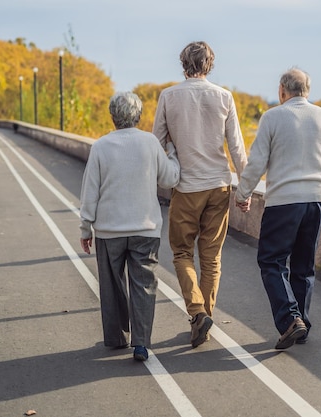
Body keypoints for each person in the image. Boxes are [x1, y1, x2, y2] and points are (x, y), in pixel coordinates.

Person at [235, 68, 321, 349]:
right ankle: (302, 326)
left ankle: (289, 320)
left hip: (284, 201)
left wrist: (243, 193)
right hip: (317, 201)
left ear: (282, 91)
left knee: (271, 261)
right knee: (304, 266)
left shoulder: (273, 117)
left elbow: (257, 161)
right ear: (307, 91)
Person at [153, 41, 248, 348]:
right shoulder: (224, 97)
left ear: (183, 63)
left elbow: (158, 142)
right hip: (219, 185)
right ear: (209, 64)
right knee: (212, 258)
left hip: (187, 186)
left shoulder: (168, 96)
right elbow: (236, 147)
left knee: (181, 253)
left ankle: (196, 312)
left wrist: (171, 155)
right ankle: (203, 317)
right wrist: (244, 189)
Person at [80, 91, 180, 361]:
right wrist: (172, 154)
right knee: (144, 284)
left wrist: (85, 227)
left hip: (108, 230)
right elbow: (170, 178)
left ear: (113, 116)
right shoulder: (149, 143)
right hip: (145, 230)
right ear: (139, 116)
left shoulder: (101, 146)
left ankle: (115, 337)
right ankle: (141, 343)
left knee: (111, 285)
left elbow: (90, 190)